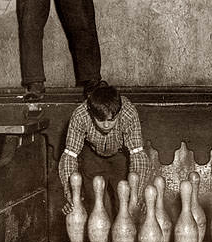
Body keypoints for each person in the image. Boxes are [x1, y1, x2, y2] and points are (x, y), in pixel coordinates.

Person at [57, 83, 151, 215]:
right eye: (100, 120)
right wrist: (71, 193)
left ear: (119, 111)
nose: (106, 125)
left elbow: (138, 155)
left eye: (112, 120)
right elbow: (69, 156)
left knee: (125, 204)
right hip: (92, 155)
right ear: (90, 110)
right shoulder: (80, 115)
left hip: (120, 156)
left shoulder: (128, 113)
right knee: (95, 205)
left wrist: (137, 194)